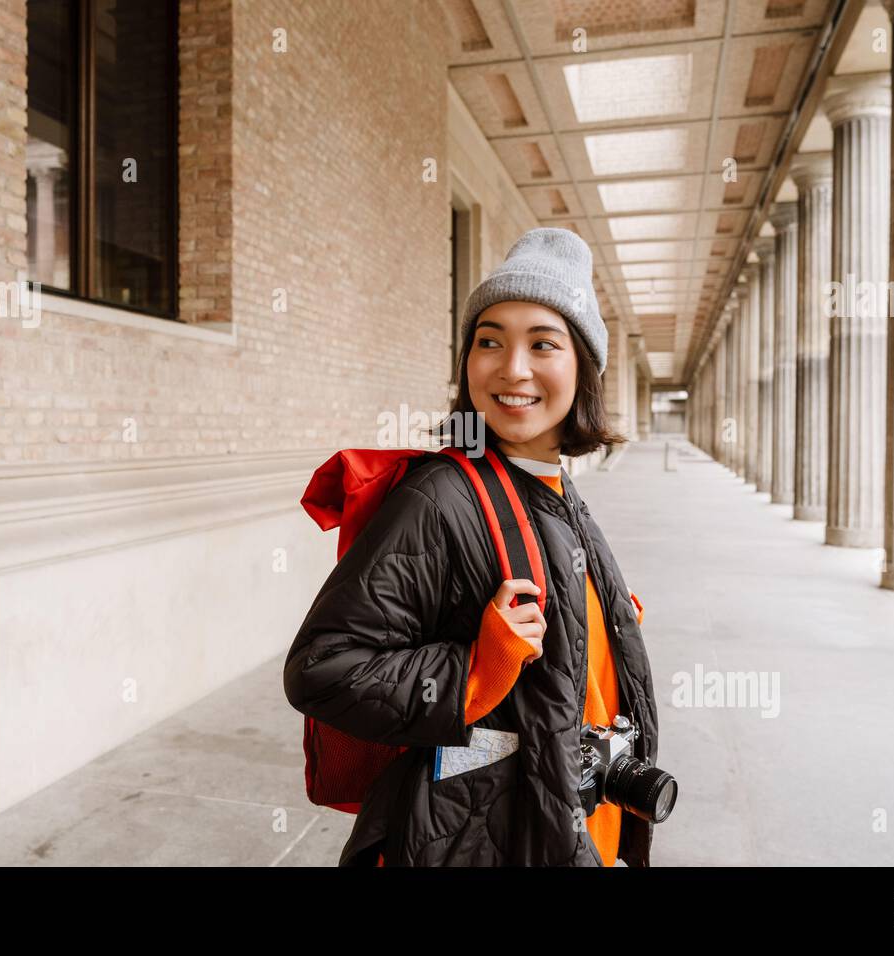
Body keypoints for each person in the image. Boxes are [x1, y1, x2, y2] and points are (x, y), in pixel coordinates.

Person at [283, 227, 661, 866]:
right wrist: (478, 671)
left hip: (565, 823)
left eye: (543, 343)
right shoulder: (439, 497)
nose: (512, 368)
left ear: (582, 369)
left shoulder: (552, 485)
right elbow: (323, 668)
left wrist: (595, 623)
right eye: (490, 342)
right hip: (472, 838)